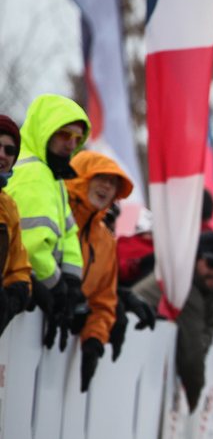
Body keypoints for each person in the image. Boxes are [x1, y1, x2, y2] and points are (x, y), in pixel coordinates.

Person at [6, 95, 89, 350]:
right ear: (46, 130)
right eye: (65, 135)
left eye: (77, 139)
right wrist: (59, 286)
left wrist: (72, 284)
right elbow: (33, 246)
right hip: (27, 288)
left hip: (40, 287)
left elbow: (69, 234)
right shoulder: (34, 173)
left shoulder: (53, 176)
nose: (71, 144)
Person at [133, 231, 213, 412]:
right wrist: (193, 406)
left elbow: (208, 326)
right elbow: (191, 356)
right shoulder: (185, 287)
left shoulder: (200, 288)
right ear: (196, 259)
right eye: (212, 264)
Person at [65, 151, 141, 391]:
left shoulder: (106, 241)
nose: (107, 187)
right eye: (102, 178)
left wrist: (94, 342)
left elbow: (103, 300)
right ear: (81, 177)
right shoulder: (55, 213)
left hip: (61, 350)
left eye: (113, 183)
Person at [0, 115, 32, 338]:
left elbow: (18, 265)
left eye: (10, 150)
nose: (2, 155)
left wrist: (19, 291)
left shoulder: (8, 206)